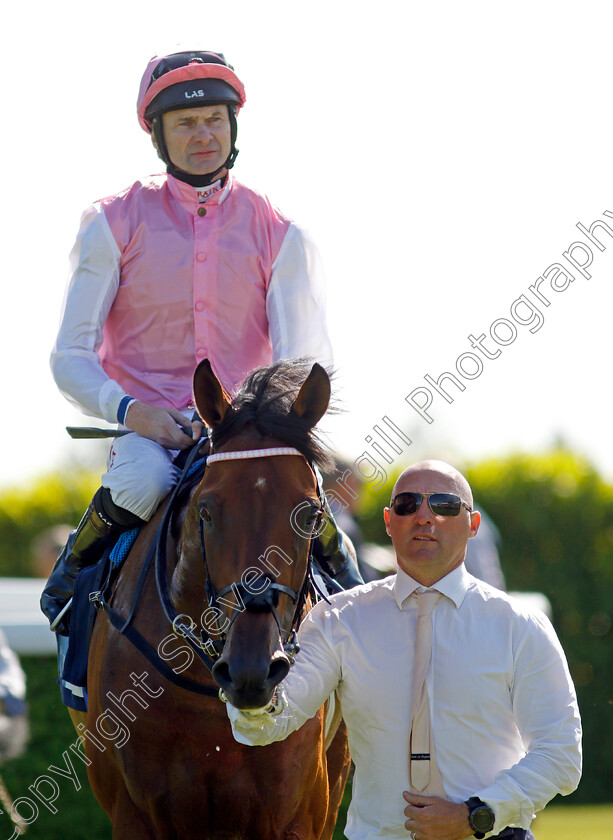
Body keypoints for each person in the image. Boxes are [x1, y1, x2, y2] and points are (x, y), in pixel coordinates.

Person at [42, 49, 361, 636]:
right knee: (144, 483)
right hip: (148, 433)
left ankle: (351, 592)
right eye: (185, 123)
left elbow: (303, 361)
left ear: (233, 126)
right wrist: (138, 414)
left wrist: (262, 422)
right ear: (159, 136)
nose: (203, 134)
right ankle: (73, 576)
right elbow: (70, 358)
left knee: (309, 501)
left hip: (247, 433)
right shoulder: (110, 224)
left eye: (214, 118)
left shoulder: (282, 233)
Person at [227, 460, 582, 840]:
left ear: (473, 525)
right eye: (407, 504)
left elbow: (560, 753)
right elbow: (269, 724)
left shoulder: (520, 625)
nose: (424, 516)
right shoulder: (339, 619)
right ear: (388, 521)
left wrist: (476, 814)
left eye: (444, 505)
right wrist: (248, 696)